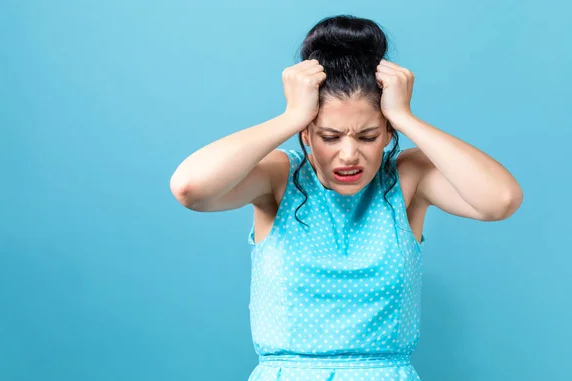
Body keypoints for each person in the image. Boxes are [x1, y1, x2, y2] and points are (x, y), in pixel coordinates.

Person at [170, 14, 523, 381]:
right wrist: (290, 117)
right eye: (330, 136)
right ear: (306, 133)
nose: (350, 154)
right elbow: (191, 188)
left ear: (387, 132)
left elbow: (500, 200)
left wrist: (407, 117)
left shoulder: (407, 179)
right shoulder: (279, 177)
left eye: (368, 136)